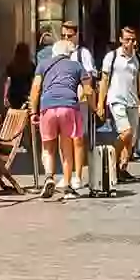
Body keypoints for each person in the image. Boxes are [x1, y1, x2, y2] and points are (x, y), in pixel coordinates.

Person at [30, 39, 86, 199]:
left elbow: (35, 89)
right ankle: (67, 185)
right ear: (70, 53)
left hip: (47, 106)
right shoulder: (76, 66)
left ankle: (49, 176)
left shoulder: (43, 65)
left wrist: (33, 112)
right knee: (66, 146)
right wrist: (95, 107)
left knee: (47, 147)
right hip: (68, 106)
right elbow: (88, 89)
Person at [97, 27, 140, 176]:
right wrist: (100, 103)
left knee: (131, 139)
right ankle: (111, 159)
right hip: (116, 99)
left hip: (133, 101)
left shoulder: (138, 59)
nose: (130, 43)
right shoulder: (111, 57)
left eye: (132, 39)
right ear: (120, 40)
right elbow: (104, 81)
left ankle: (121, 169)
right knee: (126, 132)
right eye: (127, 39)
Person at [4, 42, 35, 109]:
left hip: (13, 95)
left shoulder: (12, 66)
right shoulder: (31, 66)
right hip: (26, 94)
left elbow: (8, 82)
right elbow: (33, 82)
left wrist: (5, 96)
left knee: (15, 115)